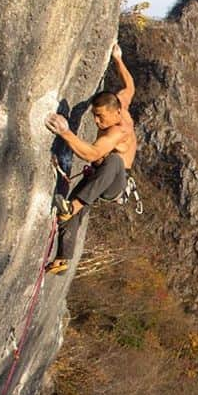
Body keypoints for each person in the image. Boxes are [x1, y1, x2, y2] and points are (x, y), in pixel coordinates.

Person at [43, 42, 138, 274]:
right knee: (67, 213)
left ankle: (73, 206)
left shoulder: (117, 131)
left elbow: (92, 153)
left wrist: (65, 132)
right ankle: (62, 260)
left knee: (112, 161)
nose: (97, 122)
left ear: (115, 113)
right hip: (99, 175)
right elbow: (130, 86)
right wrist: (118, 59)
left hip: (115, 181)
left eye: (101, 117)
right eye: (95, 116)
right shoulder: (120, 104)